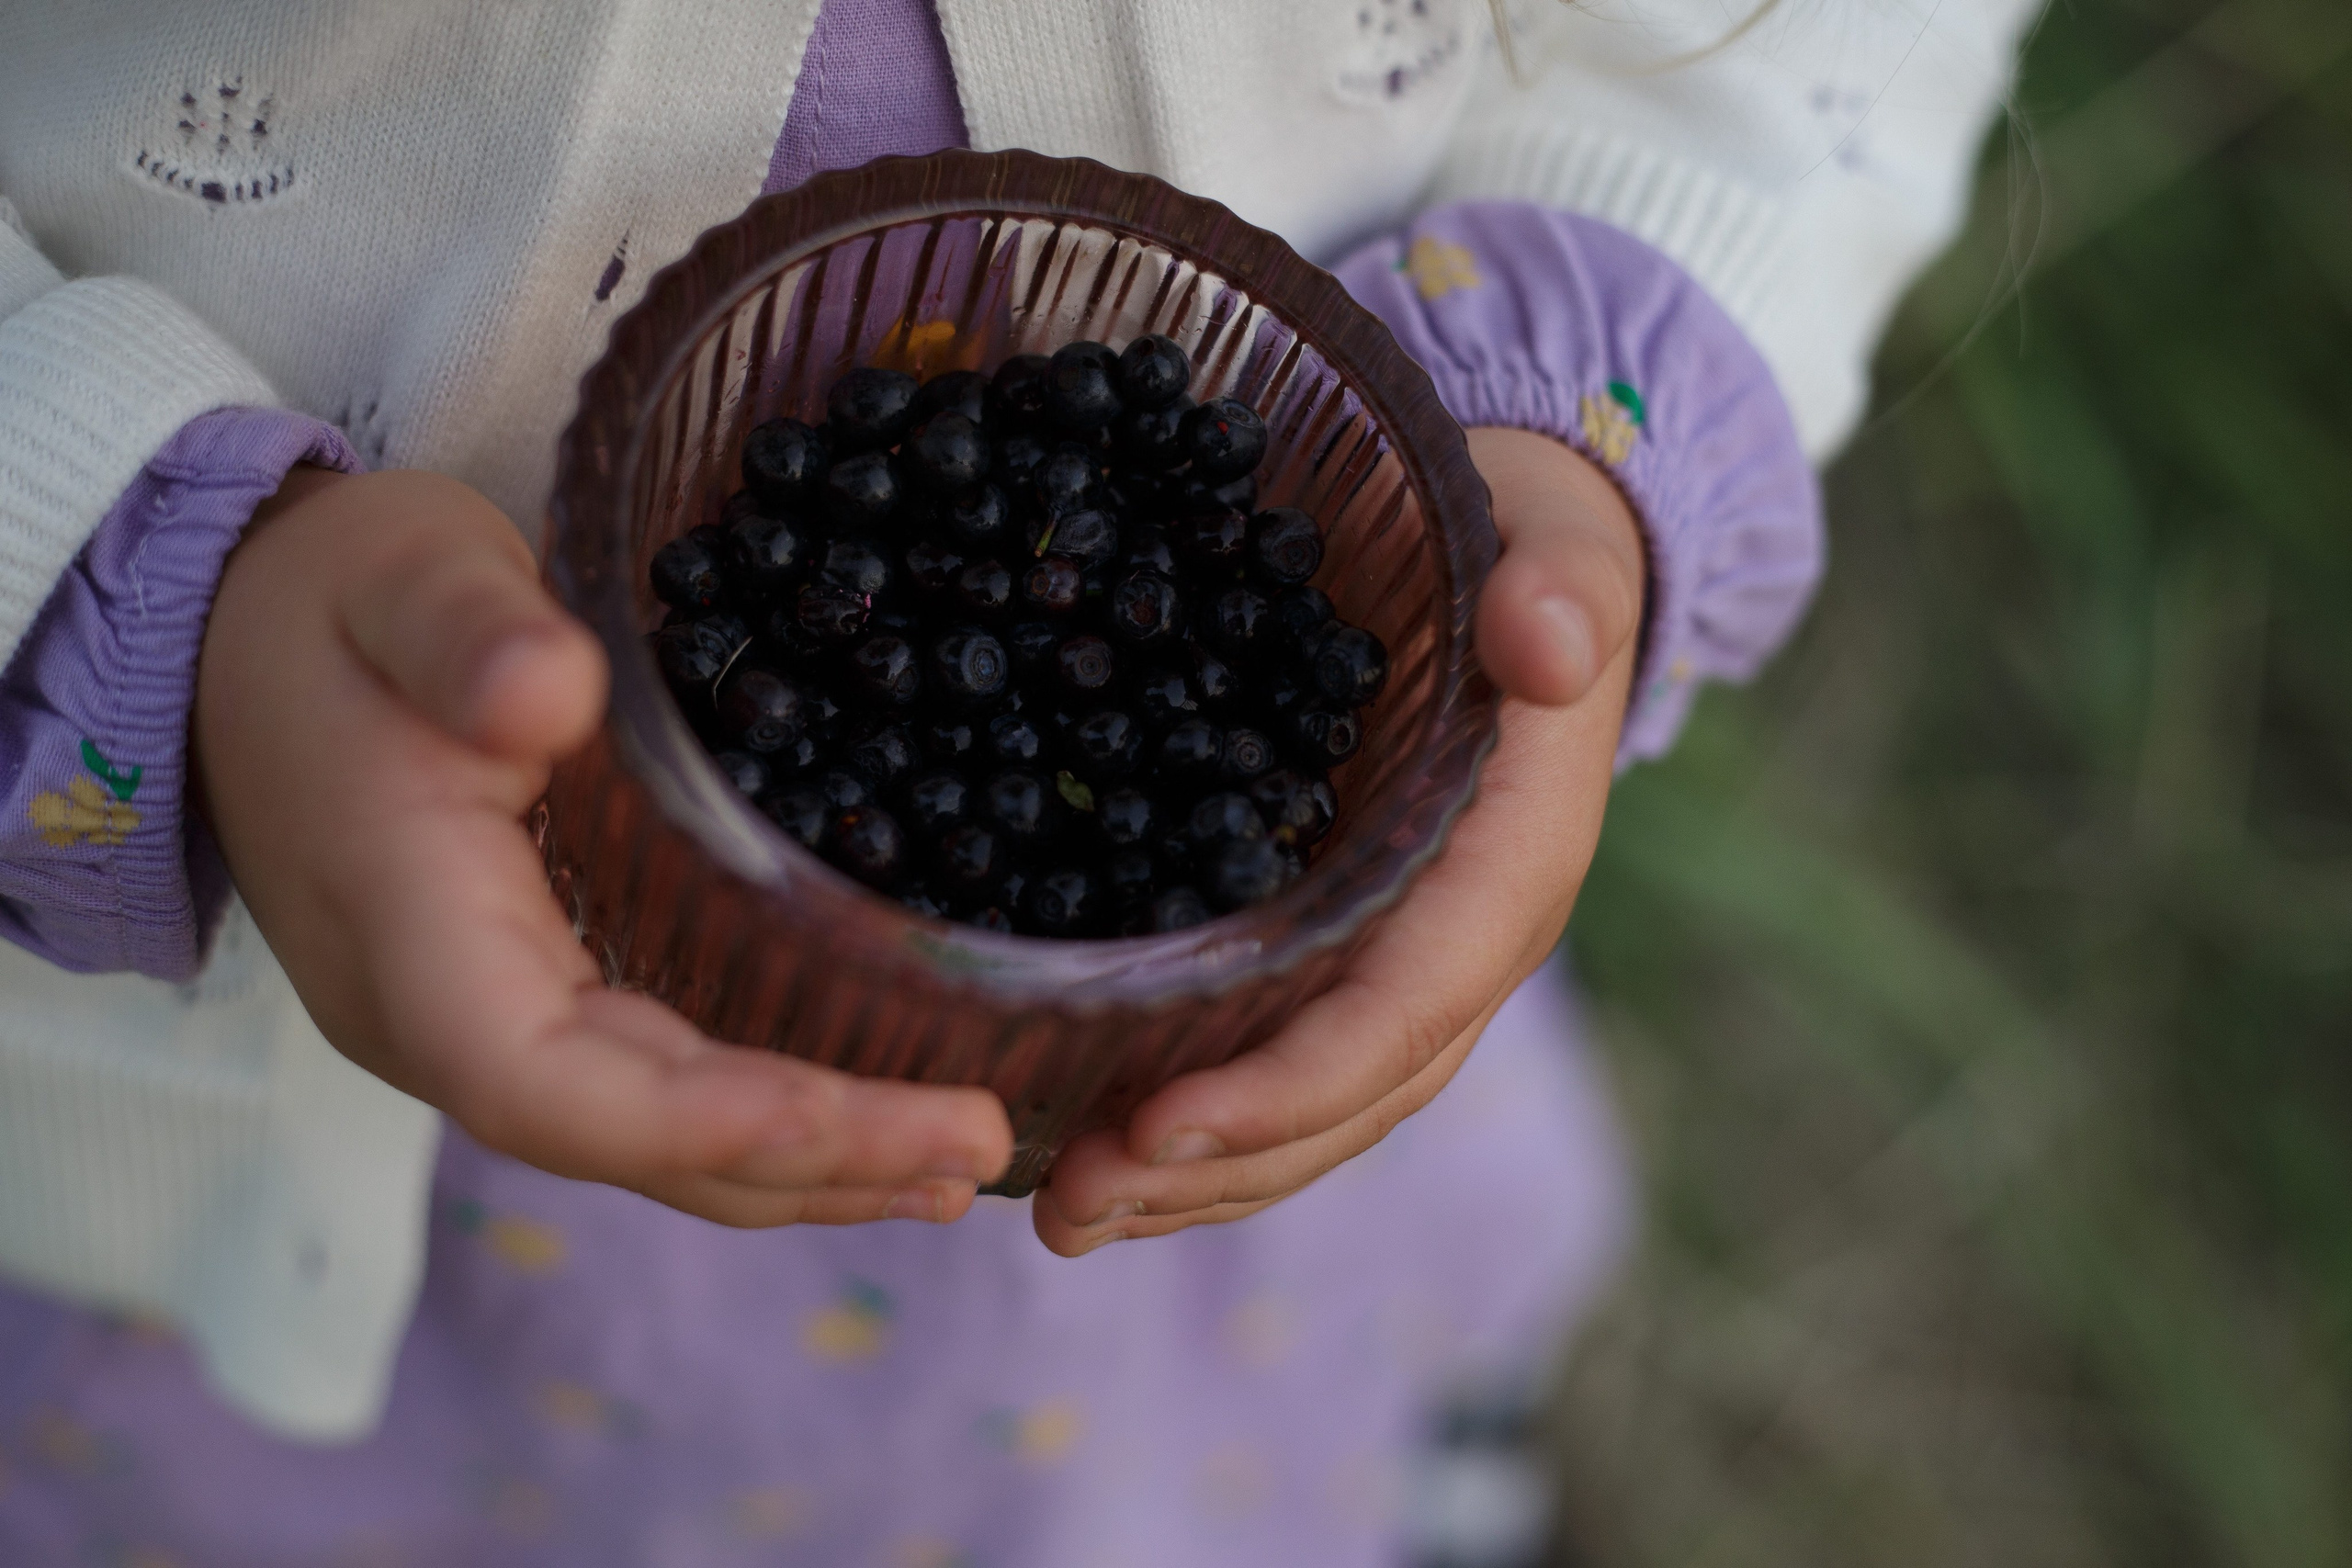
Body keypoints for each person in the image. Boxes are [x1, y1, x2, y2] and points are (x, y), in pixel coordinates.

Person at [0, 1, 2041, 1562]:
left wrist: (1586, 413)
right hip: (243, 1094)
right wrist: (138, 581)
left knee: (1205, 1396)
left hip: (1180, 992)